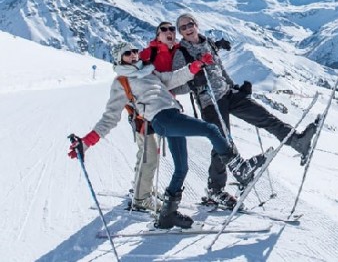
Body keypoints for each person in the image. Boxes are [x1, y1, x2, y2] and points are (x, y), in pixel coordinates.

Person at [68, 42, 267, 229]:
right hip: (162, 119)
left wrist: (197, 65)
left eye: (134, 51)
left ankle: (167, 215)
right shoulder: (121, 82)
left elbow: (174, 78)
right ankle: (239, 168)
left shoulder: (149, 72)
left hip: (173, 116)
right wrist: (87, 142)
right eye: (127, 53)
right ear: (119, 59)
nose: (134, 55)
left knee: (182, 168)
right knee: (211, 130)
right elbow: (110, 117)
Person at [172, 13, 318, 209]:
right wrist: (192, 82)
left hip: (227, 94)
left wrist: (235, 87)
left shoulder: (207, 43)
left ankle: (297, 142)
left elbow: (220, 69)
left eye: (190, 24)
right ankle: (215, 190)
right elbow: (176, 83)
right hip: (209, 102)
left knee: (264, 117)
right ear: (180, 32)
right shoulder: (181, 52)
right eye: (183, 27)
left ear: (196, 25)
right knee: (222, 143)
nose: (188, 28)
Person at [128, 21, 180, 212]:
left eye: (171, 29)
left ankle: (140, 189)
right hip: (144, 112)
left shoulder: (177, 50)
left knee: (147, 152)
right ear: (157, 35)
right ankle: (141, 198)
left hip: (163, 109)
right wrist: (137, 108)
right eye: (163, 30)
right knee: (149, 153)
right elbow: (129, 76)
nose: (168, 32)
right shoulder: (147, 54)